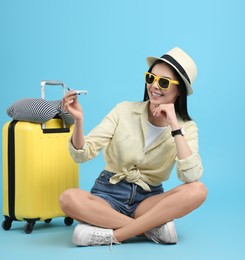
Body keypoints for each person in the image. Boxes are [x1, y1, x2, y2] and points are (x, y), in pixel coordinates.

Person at [60, 47, 207, 247]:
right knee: (68, 199)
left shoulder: (187, 127)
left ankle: (111, 236)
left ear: (179, 89)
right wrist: (78, 121)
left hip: (148, 201)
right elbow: (82, 155)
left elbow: (190, 177)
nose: (154, 86)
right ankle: (149, 230)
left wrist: (175, 126)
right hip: (108, 194)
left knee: (198, 190)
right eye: (150, 78)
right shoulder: (123, 110)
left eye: (163, 82)